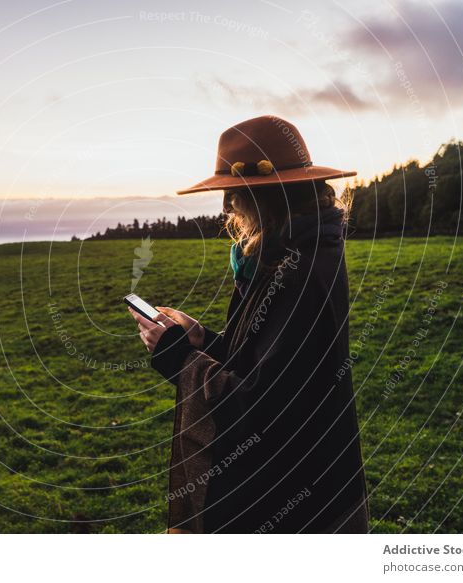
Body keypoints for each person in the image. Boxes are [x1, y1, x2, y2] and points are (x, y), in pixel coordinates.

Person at [129, 115, 369, 533]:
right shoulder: (292, 252)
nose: (226, 207)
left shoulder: (299, 269)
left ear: (269, 197)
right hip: (305, 474)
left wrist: (178, 355)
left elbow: (261, 403)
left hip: (296, 497)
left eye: (234, 194)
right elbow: (265, 360)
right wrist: (201, 339)